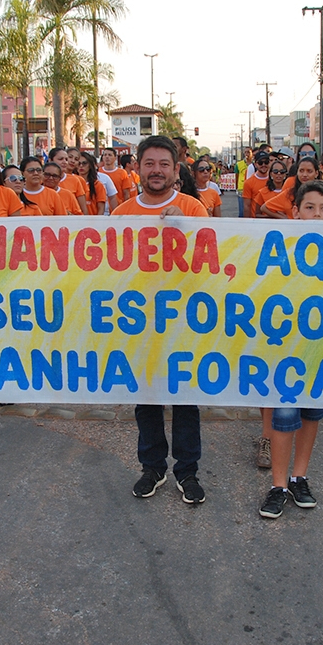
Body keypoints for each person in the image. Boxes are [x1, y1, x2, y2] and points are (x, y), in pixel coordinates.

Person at [112, 136, 208, 506]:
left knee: (186, 398)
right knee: (146, 398)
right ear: (137, 167)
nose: (156, 171)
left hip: (185, 319)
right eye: (149, 163)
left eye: (163, 164)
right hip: (138, 323)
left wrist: (184, 230)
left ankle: (187, 470)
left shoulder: (193, 209)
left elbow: (208, 265)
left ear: (175, 168)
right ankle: (152, 467)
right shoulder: (121, 215)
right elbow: (107, 270)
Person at [258, 180, 323, 519]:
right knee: (282, 415)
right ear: (295, 212)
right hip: (282, 345)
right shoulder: (277, 247)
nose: (317, 213)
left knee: (311, 414)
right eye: (310, 207)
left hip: (321, 346)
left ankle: (299, 477)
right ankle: (278, 485)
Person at [49, 148, 88, 214]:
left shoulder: (75, 180)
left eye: (66, 159)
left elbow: (83, 209)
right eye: (60, 159)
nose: (64, 162)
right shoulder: (42, 180)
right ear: (50, 160)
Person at [242, 151, 271, 219]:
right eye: (260, 163)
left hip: (273, 219)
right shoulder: (248, 182)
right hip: (256, 220)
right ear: (255, 164)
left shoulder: (274, 179)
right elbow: (247, 206)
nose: (263, 165)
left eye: (266, 162)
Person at [235, 147, 253, 218]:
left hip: (252, 188)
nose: (247, 154)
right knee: (242, 209)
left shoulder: (256, 164)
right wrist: (236, 187)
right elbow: (236, 176)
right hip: (241, 188)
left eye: (248, 152)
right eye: (245, 152)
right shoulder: (238, 164)